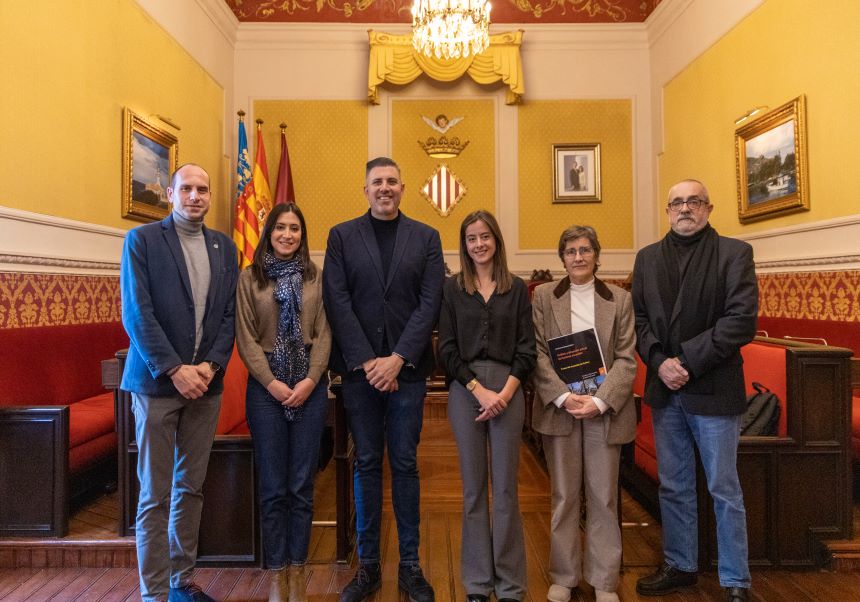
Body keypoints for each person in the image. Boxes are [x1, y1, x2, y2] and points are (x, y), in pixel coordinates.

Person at [323, 157, 445, 602]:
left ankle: (411, 566)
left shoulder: (427, 238)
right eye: (377, 181)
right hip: (359, 374)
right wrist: (370, 362)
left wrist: (396, 359)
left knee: (407, 465)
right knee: (367, 464)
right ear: (365, 188)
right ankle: (369, 566)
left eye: (392, 181)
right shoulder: (341, 236)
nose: (385, 188)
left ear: (403, 187)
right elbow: (337, 301)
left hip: (408, 373)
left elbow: (429, 303)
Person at [632, 179, 757, 602]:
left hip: (715, 390)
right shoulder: (647, 258)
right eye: (677, 202)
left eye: (694, 201)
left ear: (708, 208)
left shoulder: (734, 254)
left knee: (724, 487)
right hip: (666, 390)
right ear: (667, 210)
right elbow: (641, 321)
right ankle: (680, 564)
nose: (685, 208)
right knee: (675, 485)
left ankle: (736, 579)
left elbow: (740, 321)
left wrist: (683, 361)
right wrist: (659, 362)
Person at [120, 163, 238, 602]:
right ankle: (153, 592)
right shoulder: (143, 241)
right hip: (156, 385)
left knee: (190, 486)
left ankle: (181, 579)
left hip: (205, 387)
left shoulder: (225, 247)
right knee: (155, 493)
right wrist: (174, 368)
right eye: (186, 188)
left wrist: (209, 367)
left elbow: (228, 317)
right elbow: (136, 313)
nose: (195, 196)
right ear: (170, 194)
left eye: (202, 189)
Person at [531, 225, 636, 602]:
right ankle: (564, 574)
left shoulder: (619, 300)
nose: (578, 257)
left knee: (604, 496)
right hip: (561, 411)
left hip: (604, 412)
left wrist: (599, 401)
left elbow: (626, 358)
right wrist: (563, 397)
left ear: (596, 255)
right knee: (564, 496)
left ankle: (604, 579)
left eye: (585, 250)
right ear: (562, 258)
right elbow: (538, 354)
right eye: (571, 251)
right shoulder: (543, 297)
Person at [437, 210, 536, 602]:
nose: (479, 244)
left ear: (496, 240)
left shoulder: (518, 289)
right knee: (474, 489)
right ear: (464, 245)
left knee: (507, 490)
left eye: (485, 237)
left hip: (508, 390)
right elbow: (446, 348)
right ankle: (478, 583)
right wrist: (478, 390)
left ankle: (511, 585)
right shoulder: (452, 289)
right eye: (471, 238)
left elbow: (527, 350)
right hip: (467, 391)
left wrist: (505, 394)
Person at [235, 203, 332, 602]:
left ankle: (298, 569)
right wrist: (273, 383)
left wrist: (311, 380)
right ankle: (276, 573)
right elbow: (245, 337)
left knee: (301, 486)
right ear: (268, 232)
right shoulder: (250, 278)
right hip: (265, 385)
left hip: (309, 380)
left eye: (294, 228)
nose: (288, 235)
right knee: (274, 486)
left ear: (302, 234)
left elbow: (325, 333)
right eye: (280, 228)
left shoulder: (316, 277)